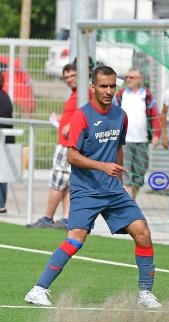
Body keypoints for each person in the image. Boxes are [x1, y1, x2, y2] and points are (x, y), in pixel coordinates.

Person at [24, 66, 161, 308]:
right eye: (103, 86)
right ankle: (37, 289)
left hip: (112, 189)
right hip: (86, 190)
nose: (108, 91)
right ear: (93, 88)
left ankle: (145, 294)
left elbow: (119, 146)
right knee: (76, 239)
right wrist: (102, 167)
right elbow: (71, 156)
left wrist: (117, 176)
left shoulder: (121, 116)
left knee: (142, 232)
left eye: (112, 86)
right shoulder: (81, 116)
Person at [27, 63, 78, 229]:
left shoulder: (85, 94)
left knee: (58, 181)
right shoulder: (76, 94)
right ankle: (66, 218)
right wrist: (63, 120)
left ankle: (48, 218)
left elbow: (86, 112)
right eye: (66, 77)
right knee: (66, 182)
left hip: (67, 144)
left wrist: (70, 125)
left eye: (73, 75)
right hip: (67, 143)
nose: (69, 79)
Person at [114, 68, 161, 200]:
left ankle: (132, 198)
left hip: (142, 140)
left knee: (140, 174)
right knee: (126, 172)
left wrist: (157, 134)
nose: (128, 79)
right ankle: (128, 203)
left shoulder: (147, 96)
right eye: (127, 77)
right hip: (125, 141)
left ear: (139, 80)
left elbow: (155, 116)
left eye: (131, 77)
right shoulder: (121, 95)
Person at [0, 71, 14, 214]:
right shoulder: (6, 96)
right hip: (7, 139)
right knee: (2, 175)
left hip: (2, 139)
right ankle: (1, 204)